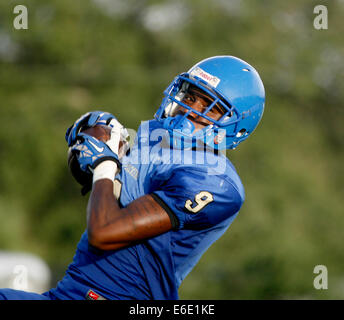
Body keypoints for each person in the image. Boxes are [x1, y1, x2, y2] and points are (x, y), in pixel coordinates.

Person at [0, 55, 265, 300]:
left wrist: (104, 161)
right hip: (70, 292)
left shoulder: (215, 183)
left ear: (236, 125)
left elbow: (104, 231)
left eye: (210, 107)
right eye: (191, 96)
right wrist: (94, 143)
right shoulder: (156, 141)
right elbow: (102, 189)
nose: (190, 109)